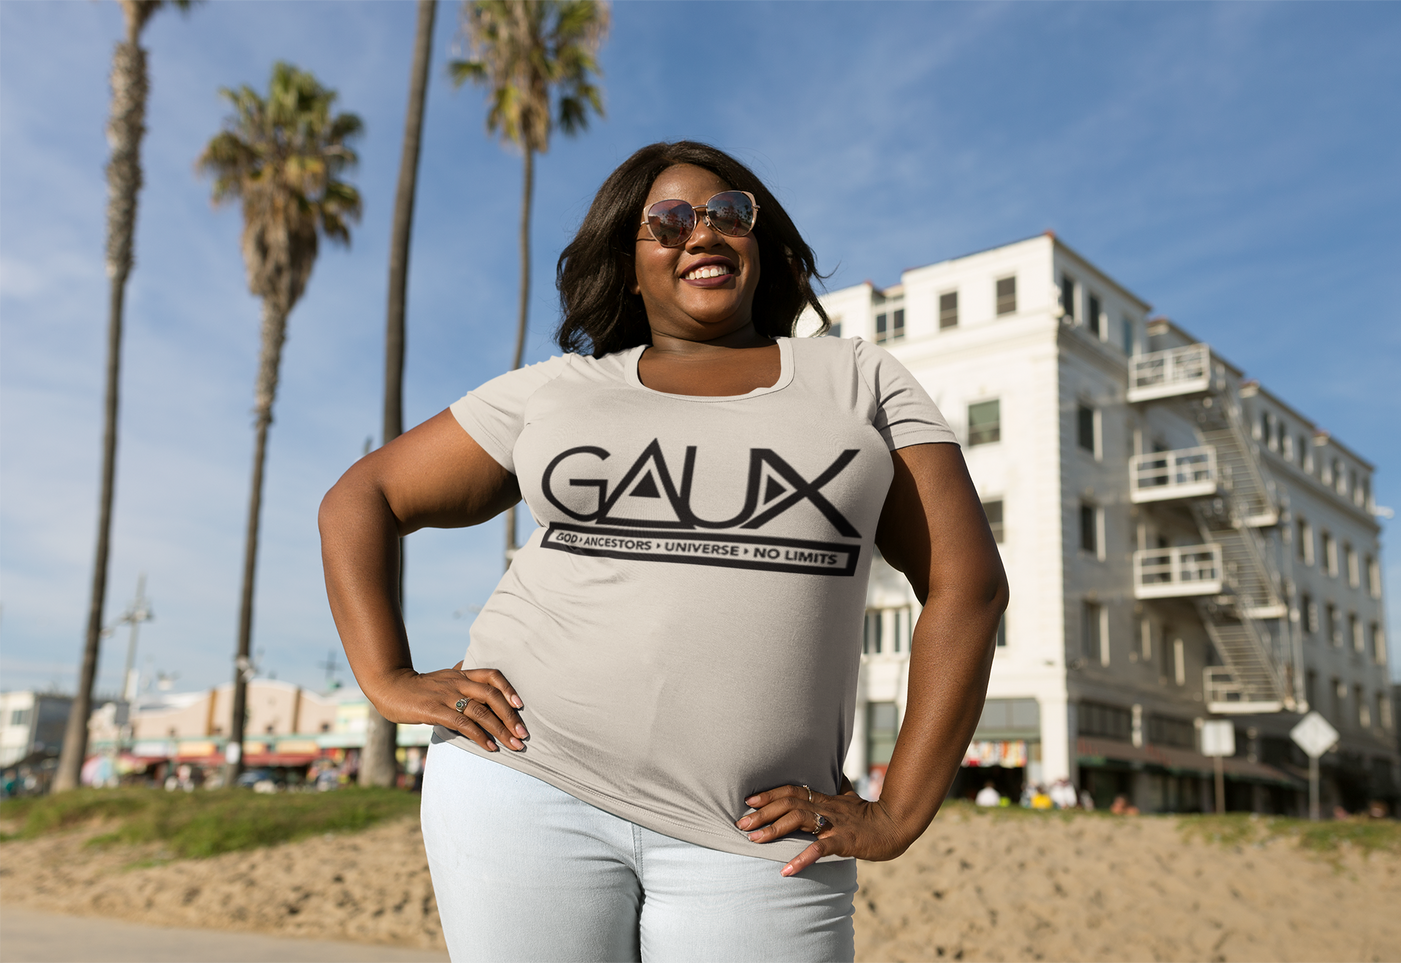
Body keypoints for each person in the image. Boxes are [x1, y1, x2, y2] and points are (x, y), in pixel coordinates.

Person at [320, 141, 1007, 963]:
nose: (702, 233)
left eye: (728, 214)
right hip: (524, 788)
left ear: (762, 241)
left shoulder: (857, 379)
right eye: (669, 221)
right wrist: (388, 678)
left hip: (757, 832)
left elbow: (967, 589)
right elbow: (361, 498)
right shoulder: (557, 391)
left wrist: (896, 811)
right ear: (631, 258)